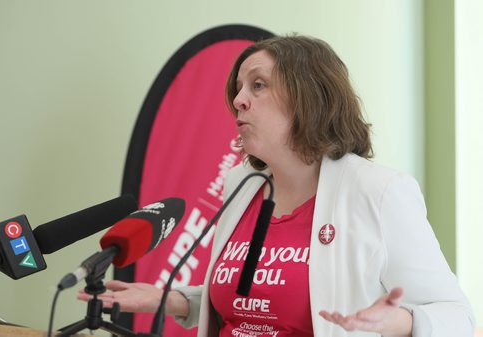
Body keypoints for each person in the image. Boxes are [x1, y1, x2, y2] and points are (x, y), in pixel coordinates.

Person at [79, 35, 475, 337]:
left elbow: (460, 318)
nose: (238, 100)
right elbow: (252, 303)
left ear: (309, 97)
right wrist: (170, 299)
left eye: (258, 85)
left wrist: (403, 322)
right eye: (237, 89)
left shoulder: (379, 191)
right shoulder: (242, 185)